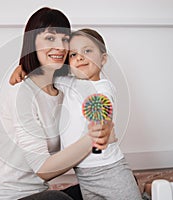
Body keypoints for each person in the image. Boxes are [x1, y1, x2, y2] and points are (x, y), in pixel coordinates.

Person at [0, 8, 114, 200]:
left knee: (114, 185)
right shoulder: (21, 91)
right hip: (8, 196)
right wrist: (94, 139)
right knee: (57, 199)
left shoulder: (65, 89)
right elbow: (43, 170)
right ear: (32, 43)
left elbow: (94, 81)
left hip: (40, 194)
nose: (60, 47)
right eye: (50, 38)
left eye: (65, 39)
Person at [56, 29, 142, 200]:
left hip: (109, 171)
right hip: (84, 174)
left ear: (103, 59)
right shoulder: (69, 83)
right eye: (73, 54)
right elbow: (44, 76)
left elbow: (101, 103)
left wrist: (101, 124)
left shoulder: (102, 87)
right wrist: (23, 70)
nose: (79, 57)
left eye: (87, 51)